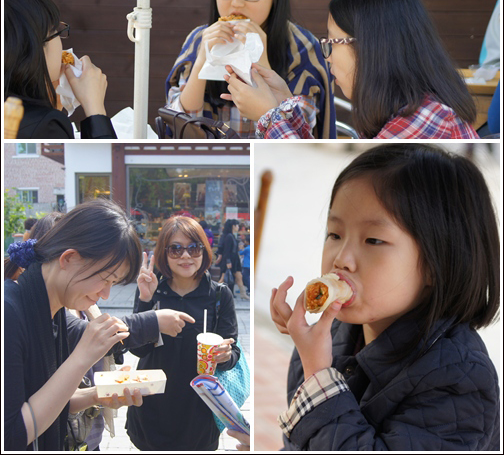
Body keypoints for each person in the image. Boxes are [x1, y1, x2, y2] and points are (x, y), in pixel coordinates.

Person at [270, 144, 499, 450]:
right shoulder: (338, 334)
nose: (342, 259)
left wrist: (317, 376)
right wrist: (308, 351)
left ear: (437, 264)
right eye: (335, 234)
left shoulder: (459, 379)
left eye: (373, 240)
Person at [225, 0, 480, 139]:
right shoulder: (412, 112)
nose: (327, 57)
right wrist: (283, 106)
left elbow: (326, 186)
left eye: (332, 43)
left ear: (372, 47)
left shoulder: (423, 122)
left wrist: (269, 116)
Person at [4, 199, 144, 451]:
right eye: (105, 279)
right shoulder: (9, 313)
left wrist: (97, 394)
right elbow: (11, 435)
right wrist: (82, 357)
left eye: (114, 283)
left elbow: (46, 403)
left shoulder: (50, 309)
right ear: (68, 258)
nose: (105, 295)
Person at [165, 0, 336, 139]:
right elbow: (179, 128)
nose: (236, 3)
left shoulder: (303, 48)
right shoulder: (198, 39)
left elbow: (298, 135)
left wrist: (261, 61)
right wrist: (201, 62)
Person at [126, 216, 241, 451]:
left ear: (204, 250)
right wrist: (146, 301)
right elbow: (138, 350)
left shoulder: (219, 295)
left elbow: (233, 353)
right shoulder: (153, 291)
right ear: (164, 254)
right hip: (153, 405)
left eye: (194, 248)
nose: (186, 256)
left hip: (198, 412)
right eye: (176, 249)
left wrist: (225, 355)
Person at [4, 0, 116, 139]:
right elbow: (102, 161)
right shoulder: (45, 125)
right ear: (36, 47)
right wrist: (95, 108)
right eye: (55, 31)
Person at [219, 219, 249, 300]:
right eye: (237, 225)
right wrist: (228, 261)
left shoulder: (232, 236)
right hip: (230, 260)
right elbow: (227, 250)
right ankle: (215, 294)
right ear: (233, 226)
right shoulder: (229, 236)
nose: (238, 227)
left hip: (235, 260)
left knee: (239, 277)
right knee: (223, 278)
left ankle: (243, 294)